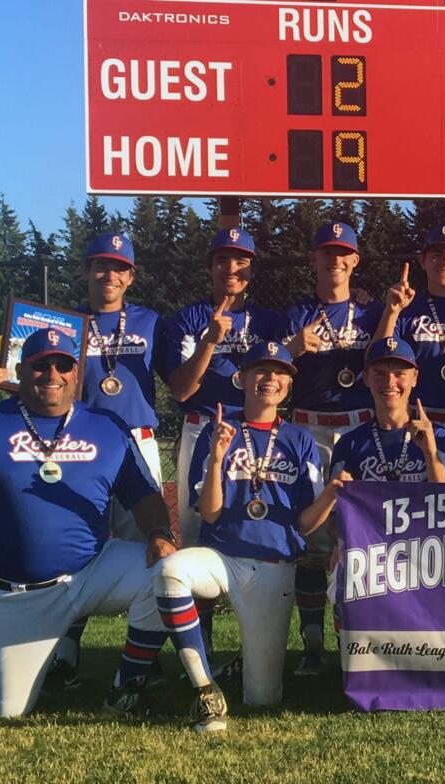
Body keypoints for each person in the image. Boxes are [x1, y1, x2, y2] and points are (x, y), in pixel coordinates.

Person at [0, 327, 177, 719]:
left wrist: (159, 533)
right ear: (21, 370)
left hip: (90, 573)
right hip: (13, 591)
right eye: (40, 366)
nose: (52, 374)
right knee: (2, 709)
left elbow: (144, 495)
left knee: (168, 574)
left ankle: (127, 686)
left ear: (75, 371)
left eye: (62, 364)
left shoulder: (106, 425)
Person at [0, 230, 168, 689]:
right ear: (85, 271)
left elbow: (180, 379)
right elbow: (47, 386)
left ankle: (140, 658)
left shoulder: (150, 321)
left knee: (147, 546)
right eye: (100, 265)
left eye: (119, 266)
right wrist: (8, 382)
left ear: (131, 276)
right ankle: (66, 650)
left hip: (136, 441)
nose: (109, 273)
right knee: (79, 545)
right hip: (77, 444)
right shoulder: (64, 325)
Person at [154, 340, 340, 731]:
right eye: (260, 370)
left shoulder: (299, 440)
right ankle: (206, 689)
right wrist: (220, 455)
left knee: (263, 697)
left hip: (274, 567)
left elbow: (305, 525)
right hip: (222, 557)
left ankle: (244, 664)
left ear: (289, 385)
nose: (269, 379)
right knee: (170, 571)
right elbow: (210, 512)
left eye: (278, 373)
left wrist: (331, 494)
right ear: (242, 378)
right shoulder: (218, 431)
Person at [167, 225, 286, 654]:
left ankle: (259, 646)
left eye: (241, 261)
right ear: (210, 267)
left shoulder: (270, 320)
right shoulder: (187, 319)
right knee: (198, 534)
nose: (231, 268)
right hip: (204, 427)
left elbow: (286, 364)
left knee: (259, 529)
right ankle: (202, 649)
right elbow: (180, 389)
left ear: (252, 270)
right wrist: (208, 344)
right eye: (222, 260)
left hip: (258, 435)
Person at [282, 221, 384, 674]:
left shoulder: (372, 312)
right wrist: (291, 348)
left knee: (361, 540)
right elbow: (268, 366)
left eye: (343, 252)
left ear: (355, 261)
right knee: (312, 540)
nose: (335, 259)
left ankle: (362, 643)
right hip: (308, 428)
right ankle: (312, 643)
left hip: (360, 428)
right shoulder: (295, 314)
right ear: (313, 259)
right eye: (326, 251)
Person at [374, 225, 445, 456]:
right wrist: (392, 311)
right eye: (436, 255)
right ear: (422, 261)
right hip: (415, 419)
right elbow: (378, 356)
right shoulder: (407, 309)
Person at [328, 337, 445, 483]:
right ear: (366, 378)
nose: (390, 382)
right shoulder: (349, 444)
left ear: (414, 377)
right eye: (380, 374)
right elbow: (336, 502)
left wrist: (430, 453)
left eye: (399, 374)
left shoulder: (440, 438)